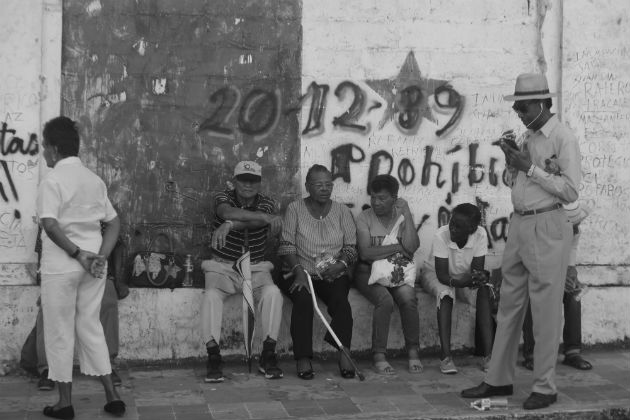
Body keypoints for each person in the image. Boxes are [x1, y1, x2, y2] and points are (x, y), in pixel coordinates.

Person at [462, 73, 581, 410]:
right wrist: (512, 160)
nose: (518, 110)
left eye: (523, 105)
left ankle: (545, 386)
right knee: (509, 303)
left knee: (544, 310)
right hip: (520, 223)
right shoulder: (528, 134)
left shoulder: (562, 137)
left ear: (542, 103)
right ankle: (497, 379)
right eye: (517, 105)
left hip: (549, 223)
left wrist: (529, 168)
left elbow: (571, 190)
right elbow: (515, 180)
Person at [37, 116, 125, 419]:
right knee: (90, 326)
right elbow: (114, 223)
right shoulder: (93, 179)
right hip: (92, 267)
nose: (43, 153)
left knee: (60, 331)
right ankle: (112, 396)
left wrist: (77, 254)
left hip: (62, 266)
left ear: (54, 149)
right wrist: (99, 255)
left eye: (44, 147)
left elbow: (50, 224)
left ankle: (65, 403)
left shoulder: (51, 181)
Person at [201, 161, 284, 383]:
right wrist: (266, 219)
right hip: (224, 266)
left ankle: (268, 354)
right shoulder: (223, 196)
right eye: (243, 179)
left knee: (273, 294)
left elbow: (253, 223)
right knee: (210, 297)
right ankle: (214, 356)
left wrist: (228, 225)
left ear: (259, 182)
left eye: (253, 180)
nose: (248, 184)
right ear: (235, 180)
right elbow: (226, 211)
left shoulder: (266, 202)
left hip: (255, 267)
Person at [276, 164, 358, 380]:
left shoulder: (342, 211)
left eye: (328, 184)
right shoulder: (294, 209)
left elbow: (351, 247)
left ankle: (344, 352)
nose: (324, 189)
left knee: (341, 300)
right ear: (308, 187)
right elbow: (286, 245)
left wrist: (340, 265)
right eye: (318, 184)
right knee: (303, 300)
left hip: (332, 273)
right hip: (299, 271)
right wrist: (298, 270)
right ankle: (303, 357)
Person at [354, 175, 422, 375]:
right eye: (373, 197)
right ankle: (379, 355)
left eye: (382, 198)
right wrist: (398, 247)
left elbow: (412, 247)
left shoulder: (402, 217)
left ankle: (413, 352)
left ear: (395, 198)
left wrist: (407, 213)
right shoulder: (364, 218)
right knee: (385, 300)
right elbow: (365, 253)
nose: (376, 203)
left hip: (397, 273)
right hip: (368, 273)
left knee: (409, 299)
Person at [34, 241, 125, 391]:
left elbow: (116, 244)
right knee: (47, 309)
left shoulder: (101, 217)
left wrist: (116, 278)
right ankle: (47, 368)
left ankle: (107, 364)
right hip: (59, 273)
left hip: (94, 271)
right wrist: (44, 283)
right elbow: (43, 249)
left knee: (109, 300)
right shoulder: (50, 218)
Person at [421, 203, 494, 374]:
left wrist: (479, 278)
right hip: (435, 274)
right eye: (452, 223)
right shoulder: (442, 235)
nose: (452, 228)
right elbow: (442, 276)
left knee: (483, 291)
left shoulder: (480, 234)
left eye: (458, 226)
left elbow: (476, 271)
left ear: (472, 228)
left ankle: (489, 356)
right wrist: (463, 282)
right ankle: (446, 357)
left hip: (463, 276)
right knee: (446, 294)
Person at [521, 201, 592, 371]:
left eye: (578, 222)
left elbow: (571, 256)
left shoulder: (574, 231)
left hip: (556, 274)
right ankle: (532, 353)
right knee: (531, 297)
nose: (577, 226)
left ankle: (572, 352)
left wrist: (571, 276)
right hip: (534, 275)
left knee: (574, 295)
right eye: (573, 223)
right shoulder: (541, 231)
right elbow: (532, 263)